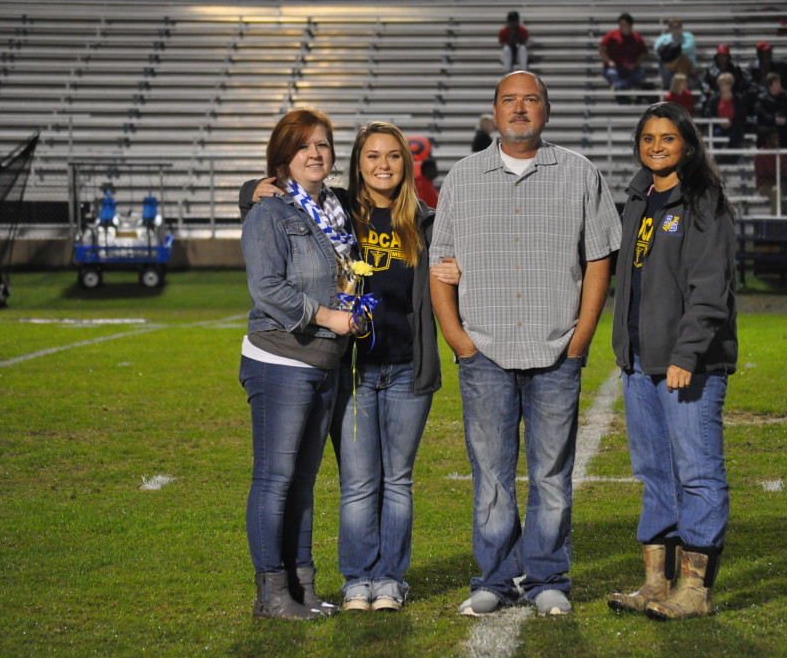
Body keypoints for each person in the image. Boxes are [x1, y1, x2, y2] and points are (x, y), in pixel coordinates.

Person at [240, 123, 459, 614]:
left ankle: (390, 581)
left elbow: (456, 267)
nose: (383, 165)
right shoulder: (336, 213)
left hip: (407, 368)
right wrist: (253, 186)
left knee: (397, 481)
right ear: (356, 165)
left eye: (394, 157)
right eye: (372, 156)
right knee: (358, 482)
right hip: (351, 369)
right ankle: (358, 581)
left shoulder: (427, 221)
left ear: (408, 164)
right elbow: (275, 201)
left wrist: (459, 269)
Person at [429, 71, 622, 618]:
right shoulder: (464, 178)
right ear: (493, 112)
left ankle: (547, 579)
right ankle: (492, 579)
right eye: (509, 101)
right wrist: (460, 341)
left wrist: (582, 337)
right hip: (484, 352)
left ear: (547, 110)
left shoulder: (580, 173)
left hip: (556, 349)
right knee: (490, 474)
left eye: (530, 100)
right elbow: (439, 267)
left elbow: (599, 258)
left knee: (551, 472)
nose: (519, 109)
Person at [607, 101, 737, 621]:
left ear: (687, 144)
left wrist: (687, 352)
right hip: (640, 362)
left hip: (690, 365)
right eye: (648, 138)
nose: (656, 146)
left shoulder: (705, 203)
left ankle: (696, 592)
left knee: (697, 471)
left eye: (667, 138)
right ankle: (656, 584)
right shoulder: (638, 200)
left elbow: (711, 289)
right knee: (654, 472)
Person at [239, 108, 361, 621]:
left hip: (325, 361)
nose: (316, 153)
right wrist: (326, 316)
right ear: (284, 155)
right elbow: (266, 288)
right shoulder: (270, 212)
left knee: (304, 480)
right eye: (304, 145)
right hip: (280, 357)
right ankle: (271, 593)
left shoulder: (335, 209)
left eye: (324, 145)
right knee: (276, 478)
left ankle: (302, 586)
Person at [754, 128, 787, 215]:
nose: (776, 140)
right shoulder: (760, 153)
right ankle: (774, 220)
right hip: (765, 185)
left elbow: (784, 170)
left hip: (781, 184)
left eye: (777, 138)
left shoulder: (781, 152)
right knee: (776, 190)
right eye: (774, 138)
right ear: (767, 140)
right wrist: (777, 180)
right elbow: (761, 173)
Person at [599, 13, 648, 102]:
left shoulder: (636, 37)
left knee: (641, 73)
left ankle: (620, 87)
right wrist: (609, 61)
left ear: (630, 25)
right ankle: (622, 90)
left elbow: (643, 53)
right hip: (615, 68)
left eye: (625, 24)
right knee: (612, 73)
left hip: (630, 69)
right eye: (621, 24)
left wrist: (636, 64)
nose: (623, 27)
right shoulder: (612, 35)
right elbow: (601, 48)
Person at [702, 72, 747, 158]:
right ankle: (717, 159)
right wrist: (719, 122)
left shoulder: (738, 99)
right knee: (717, 133)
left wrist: (731, 122)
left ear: (731, 85)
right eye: (721, 84)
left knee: (735, 134)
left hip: (734, 125)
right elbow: (708, 114)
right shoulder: (714, 99)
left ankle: (733, 159)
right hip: (717, 126)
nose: (723, 86)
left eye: (725, 84)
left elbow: (742, 115)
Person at [754, 72, 787, 149]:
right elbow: (761, 112)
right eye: (776, 83)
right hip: (768, 125)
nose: (779, 85)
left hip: (784, 124)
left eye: (779, 82)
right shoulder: (762, 98)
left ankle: (785, 157)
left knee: (785, 131)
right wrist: (774, 119)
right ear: (770, 86)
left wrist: (786, 118)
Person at [653, 18, 697, 89]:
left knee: (682, 59)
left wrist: (669, 50)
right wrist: (674, 49)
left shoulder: (688, 36)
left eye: (678, 27)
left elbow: (689, 48)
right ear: (670, 28)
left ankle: (684, 86)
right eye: (673, 27)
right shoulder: (664, 38)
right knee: (662, 62)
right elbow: (657, 49)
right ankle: (668, 86)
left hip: (687, 68)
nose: (676, 29)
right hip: (671, 68)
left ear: (681, 27)